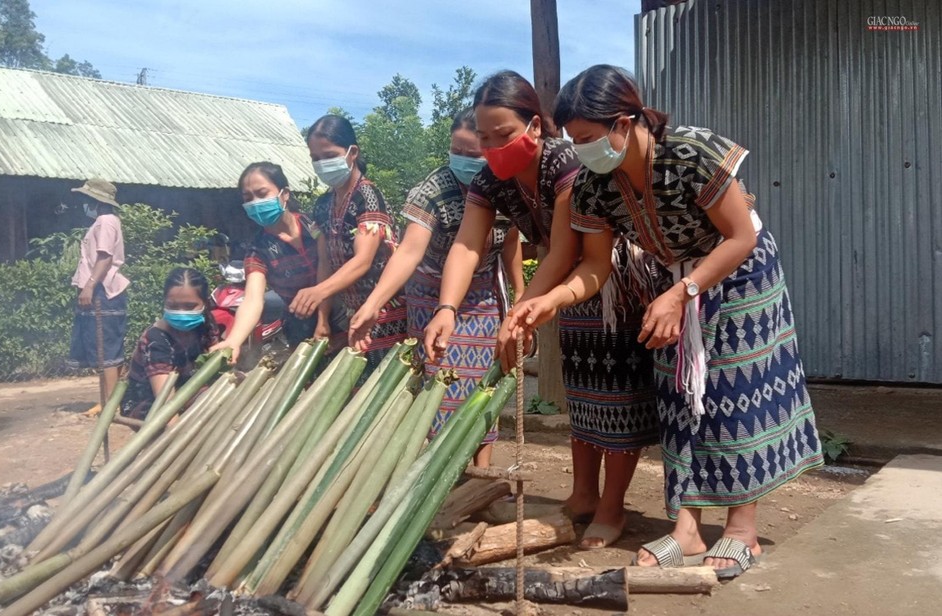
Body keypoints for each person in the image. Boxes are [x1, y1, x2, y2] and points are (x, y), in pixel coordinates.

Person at [511, 64, 823, 577]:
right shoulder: (596, 185)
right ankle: (687, 527)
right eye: (573, 140)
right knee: (678, 393)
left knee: (731, 388)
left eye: (588, 138)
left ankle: (742, 528)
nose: (582, 150)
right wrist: (554, 299)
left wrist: (683, 292)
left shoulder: (692, 153)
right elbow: (592, 265)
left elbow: (740, 237)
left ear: (625, 120)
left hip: (739, 272)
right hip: (674, 281)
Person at [423, 71, 658, 548]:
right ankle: (582, 496)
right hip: (568, 286)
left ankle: (612, 508)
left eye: (503, 135)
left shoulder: (564, 163)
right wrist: (446, 306)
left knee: (615, 397)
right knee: (582, 397)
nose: (492, 148)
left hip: (613, 279)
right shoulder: (493, 179)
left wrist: (522, 307)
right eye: (485, 138)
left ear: (534, 126)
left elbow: (563, 250)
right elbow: (469, 245)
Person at [349, 108, 524, 467]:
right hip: (431, 299)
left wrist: (520, 296)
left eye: (474, 153)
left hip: (482, 299)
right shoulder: (432, 190)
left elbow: (510, 242)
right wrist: (373, 304)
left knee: (482, 382)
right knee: (438, 383)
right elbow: (409, 252)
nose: (465, 159)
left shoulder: (507, 185)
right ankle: (433, 471)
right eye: (457, 150)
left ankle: (481, 473)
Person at [305, 114, 407, 375]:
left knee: (381, 391)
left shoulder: (368, 196)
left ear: (352, 153)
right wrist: (323, 318)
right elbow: (325, 262)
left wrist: (319, 292)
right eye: (315, 158)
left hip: (385, 312)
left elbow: (363, 261)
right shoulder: (322, 204)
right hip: (351, 313)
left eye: (329, 155)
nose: (321, 164)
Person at [211, 162, 334, 363]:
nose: (255, 203)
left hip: (341, 313)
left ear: (284, 193)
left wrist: (324, 316)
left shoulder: (312, 223)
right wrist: (233, 340)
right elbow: (252, 299)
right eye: (248, 198)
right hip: (303, 326)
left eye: (261, 193)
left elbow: (329, 262)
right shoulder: (258, 249)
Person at [121, 268, 220, 420]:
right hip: (149, 403)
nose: (181, 312)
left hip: (187, 391)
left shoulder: (205, 326)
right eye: (173, 306)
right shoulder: (157, 341)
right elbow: (166, 405)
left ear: (205, 303)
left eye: (189, 306)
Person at [69, 178, 129, 406]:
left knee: (106, 352)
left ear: (95, 200)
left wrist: (90, 285)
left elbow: (105, 257)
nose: (84, 204)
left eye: (86, 199)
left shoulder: (105, 221)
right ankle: (107, 401)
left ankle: (109, 404)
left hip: (102, 292)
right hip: (104, 291)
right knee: (106, 349)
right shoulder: (108, 221)